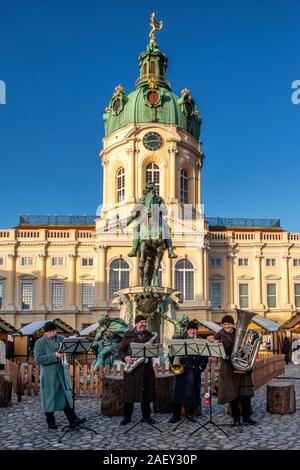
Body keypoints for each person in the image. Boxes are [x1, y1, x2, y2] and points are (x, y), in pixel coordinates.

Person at [34, 321, 86, 430]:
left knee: (66, 397)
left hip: (62, 373)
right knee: (49, 398)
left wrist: (68, 352)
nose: (51, 334)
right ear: (45, 333)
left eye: (53, 331)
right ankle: (50, 421)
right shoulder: (40, 343)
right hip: (49, 375)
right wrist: (55, 355)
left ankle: (73, 420)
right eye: (48, 332)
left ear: (56, 331)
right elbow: (38, 358)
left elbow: (70, 350)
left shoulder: (62, 339)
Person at [214, 315, 256, 426]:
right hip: (228, 367)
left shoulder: (240, 332)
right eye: (225, 324)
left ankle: (247, 416)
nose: (227, 326)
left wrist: (248, 347)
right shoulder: (218, 335)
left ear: (233, 324)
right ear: (222, 325)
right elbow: (217, 351)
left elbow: (248, 346)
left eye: (229, 324)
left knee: (245, 394)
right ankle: (236, 418)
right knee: (232, 395)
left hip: (241, 365)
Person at [168, 321, 211, 423]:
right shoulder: (180, 339)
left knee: (193, 393)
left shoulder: (200, 340)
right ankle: (176, 415)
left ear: (197, 330)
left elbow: (205, 356)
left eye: (194, 329)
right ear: (187, 330)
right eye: (190, 329)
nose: (192, 331)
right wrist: (174, 363)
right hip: (181, 370)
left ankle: (191, 414)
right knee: (177, 393)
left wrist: (201, 367)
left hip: (194, 370)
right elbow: (172, 352)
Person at [118, 314, 156, 425]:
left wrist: (156, 348)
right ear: (136, 323)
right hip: (132, 369)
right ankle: (127, 417)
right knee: (129, 394)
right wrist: (125, 357)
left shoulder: (150, 336)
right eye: (141, 322)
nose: (144, 324)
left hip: (146, 368)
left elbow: (154, 352)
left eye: (145, 322)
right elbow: (121, 350)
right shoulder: (128, 335)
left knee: (146, 394)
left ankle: (146, 416)